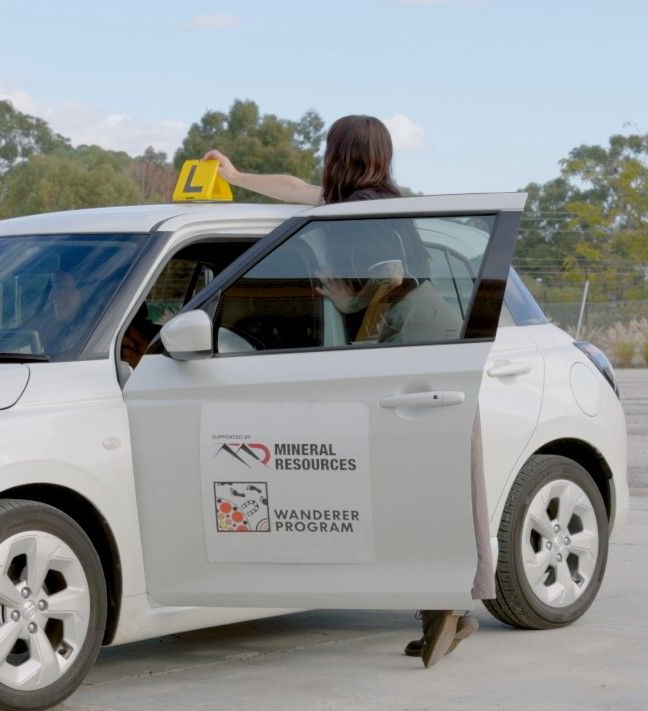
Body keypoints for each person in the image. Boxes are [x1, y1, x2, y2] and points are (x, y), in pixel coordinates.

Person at [204, 114, 495, 668]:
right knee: (425, 478)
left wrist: (343, 306)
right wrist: (237, 175)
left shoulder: (371, 212)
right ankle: (442, 604)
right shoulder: (364, 202)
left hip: (416, 339)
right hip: (419, 336)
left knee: (424, 477)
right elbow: (296, 190)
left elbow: (388, 287)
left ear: (341, 151)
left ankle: (448, 601)